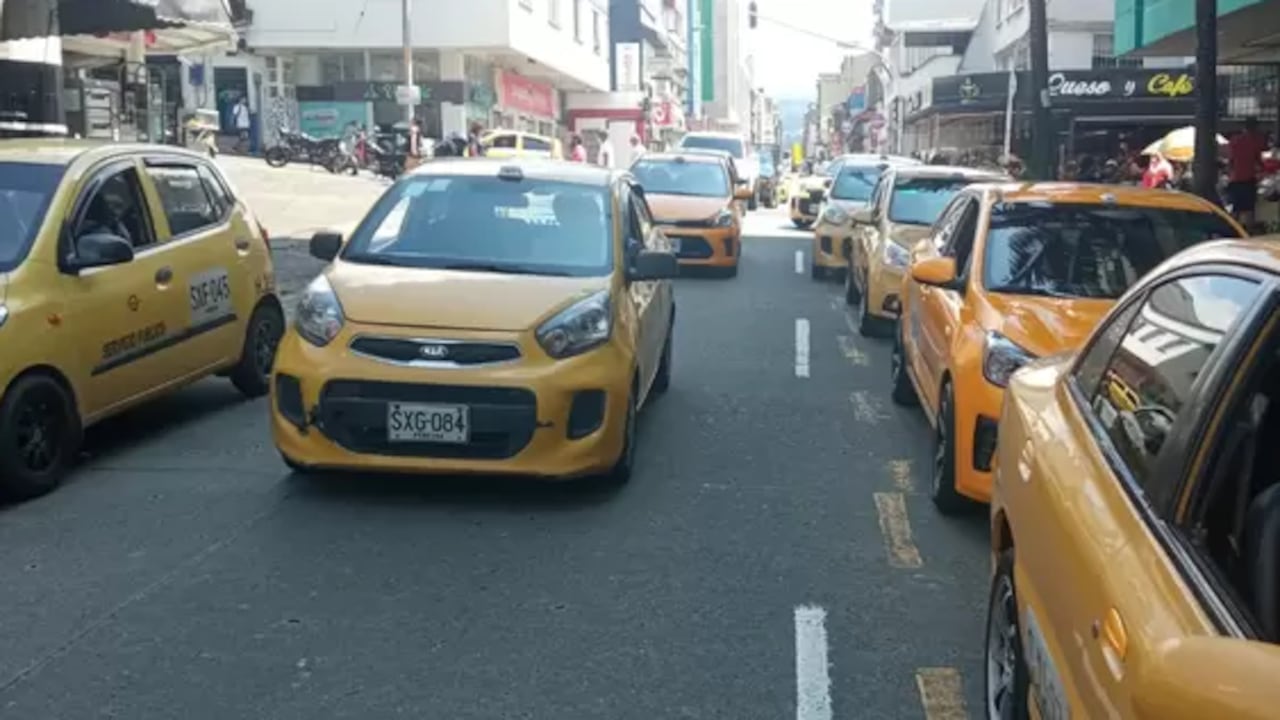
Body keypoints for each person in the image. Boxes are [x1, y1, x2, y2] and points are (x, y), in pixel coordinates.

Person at [1227, 116, 1267, 225]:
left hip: (1235, 179)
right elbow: (1258, 160)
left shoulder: (1234, 140)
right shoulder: (1255, 140)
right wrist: (1263, 169)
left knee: (1236, 209)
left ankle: (1231, 232)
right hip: (1248, 178)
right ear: (1255, 127)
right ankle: (1249, 235)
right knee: (1249, 209)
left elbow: (1230, 161)